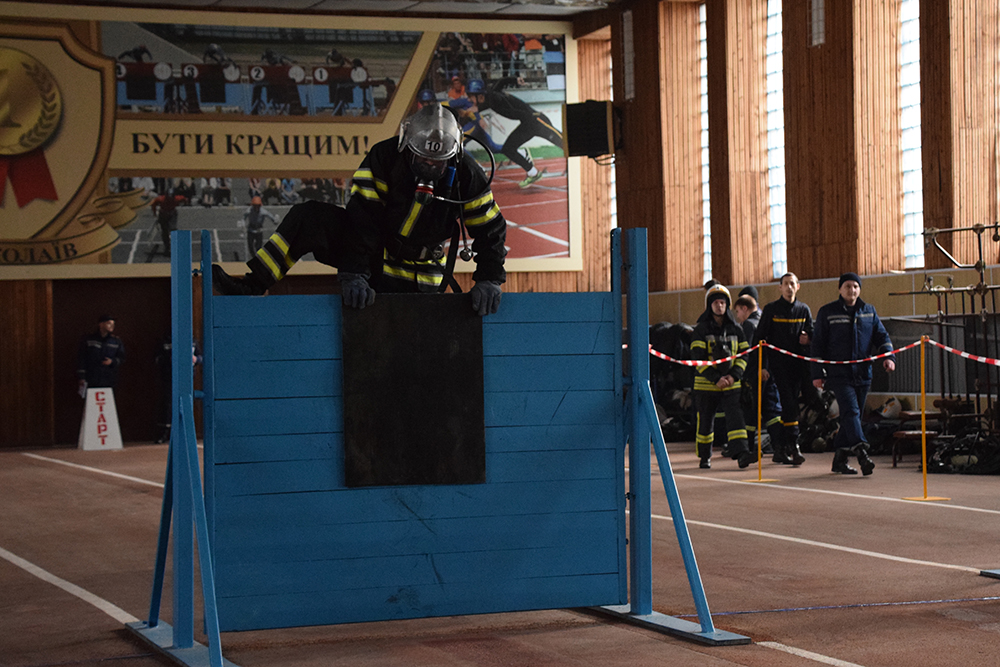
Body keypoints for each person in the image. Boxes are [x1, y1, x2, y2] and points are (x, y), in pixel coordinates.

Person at [211, 103, 507, 317]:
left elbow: (489, 227)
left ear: (453, 155)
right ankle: (252, 285)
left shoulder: (467, 174)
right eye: (423, 160)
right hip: (372, 261)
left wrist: (489, 278)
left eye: (439, 163)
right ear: (407, 146)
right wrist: (353, 273)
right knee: (308, 216)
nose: (430, 168)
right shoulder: (384, 157)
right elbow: (361, 217)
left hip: (420, 276)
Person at [811, 273, 896, 475]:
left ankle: (839, 458)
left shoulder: (869, 311)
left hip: (863, 374)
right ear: (840, 289)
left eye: (856, 286)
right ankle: (862, 453)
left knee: (851, 417)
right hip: (839, 374)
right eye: (848, 286)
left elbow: (881, 336)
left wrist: (889, 358)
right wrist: (816, 373)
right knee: (851, 412)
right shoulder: (828, 312)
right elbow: (817, 345)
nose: (852, 290)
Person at [753, 272, 817, 466]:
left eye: (792, 284)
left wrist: (809, 339)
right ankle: (793, 446)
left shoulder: (803, 310)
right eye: (786, 284)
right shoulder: (771, 309)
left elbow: (813, 336)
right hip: (776, 368)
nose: (789, 287)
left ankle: (781, 448)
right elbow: (759, 341)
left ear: (798, 287)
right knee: (788, 406)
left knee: (792, 408)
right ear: (779, 288)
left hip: (797, 368)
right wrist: (762, 367)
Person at [690, 285, 755, 469]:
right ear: (709, 305)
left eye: (723, 302)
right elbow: (697, 358)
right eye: (716, 302)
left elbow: (744, 355)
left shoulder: (736, 329)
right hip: (706, 385)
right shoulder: (700, 329)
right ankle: (704, 457)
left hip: (731, 385)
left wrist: (733, 377)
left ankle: (742, 454)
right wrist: (715, 378)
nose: (720, 306)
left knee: (736, 419)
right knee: (705, 422)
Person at [465, 77, 563, 188]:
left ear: (480, 96)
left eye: (470, 97)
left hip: (536, 120)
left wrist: (478, 114)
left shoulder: (494, 99)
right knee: (508, 149)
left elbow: (507, 108)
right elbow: (502, 81)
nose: (469, 100)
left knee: (563, 142)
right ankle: (533, 173)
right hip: (527, 124)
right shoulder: (490, 96)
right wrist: (516, 80)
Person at [733, 291, 783, 460]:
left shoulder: (749, 325)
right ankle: (779, 449)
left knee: (750, 413)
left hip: (755, 374)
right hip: (770, 372)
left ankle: (749, 451)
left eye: (738, 312)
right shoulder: (767, 320)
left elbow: (748, 352)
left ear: (744, 308)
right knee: (772, 412)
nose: (738, 316)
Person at [77, 315, 125, 394]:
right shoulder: (89, 339)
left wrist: (112, 362)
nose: (112, 326)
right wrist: (82, 377)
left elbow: (122, 358)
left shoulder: (116, 341)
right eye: (109, 323)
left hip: (109, 378)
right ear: (101, 324)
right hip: (92, 377)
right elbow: (81, 358)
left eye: (113, 324)